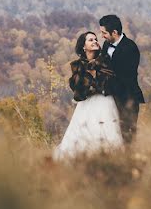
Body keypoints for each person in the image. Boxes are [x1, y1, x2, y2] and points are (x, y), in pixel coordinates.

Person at [53, 31, 124, 160]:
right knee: (82, 136)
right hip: (85, 106)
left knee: (107, 133)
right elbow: (78, 93)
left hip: (105, 102)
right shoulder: (77, 66)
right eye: (90, 40)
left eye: (96, 39)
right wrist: (89, 77)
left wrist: (93, 75)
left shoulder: (105, 60)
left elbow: (110, 83)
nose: (95, 41)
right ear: (83, 46)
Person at [99, 14, 145, 144]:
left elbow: (126, 77)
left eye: (104, 33)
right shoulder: (106, 45)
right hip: (110, 97)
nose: (102, 36)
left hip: (127, 98)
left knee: (127, 134)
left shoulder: (130, 48)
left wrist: (106, 85)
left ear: (114, 32)